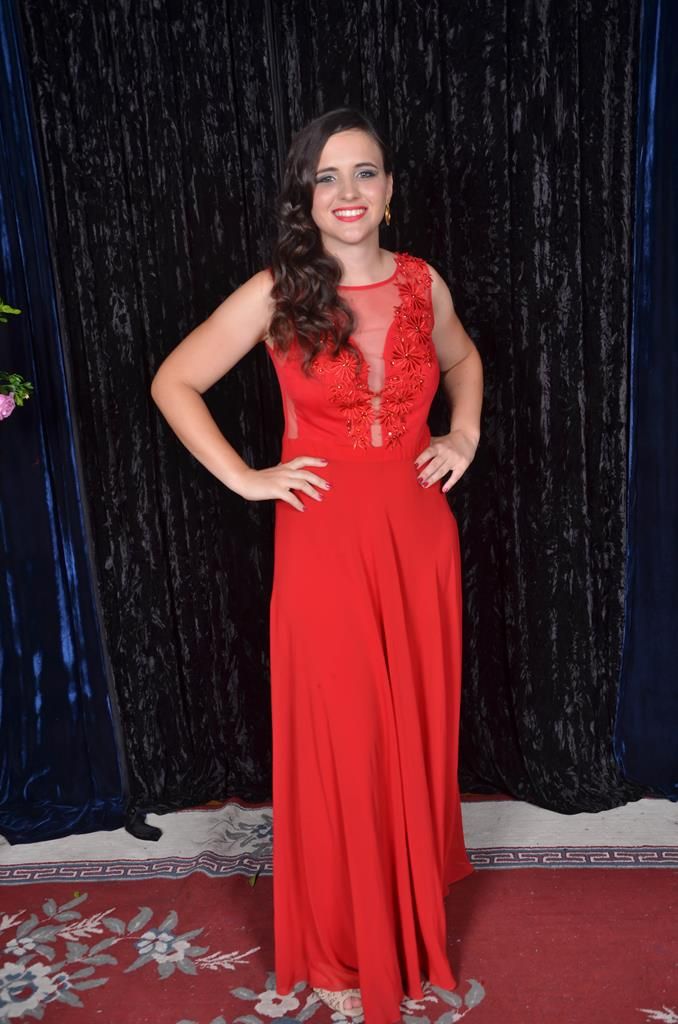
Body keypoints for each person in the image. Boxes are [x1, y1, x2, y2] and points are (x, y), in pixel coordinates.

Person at [151, 107, 483, 1024]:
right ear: (306, 195)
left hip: (418, 537)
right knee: (341, 737)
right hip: (325, 542)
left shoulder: (422, 283)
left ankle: (406, 921)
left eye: (364, 172)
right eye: (327, 177)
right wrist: (246, 478)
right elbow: (175, 380)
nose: (347, 192)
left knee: (409, 733)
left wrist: (463, 433)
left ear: (389, 189)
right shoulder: (276, 292)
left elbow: (463, 360)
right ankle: (343, 941)